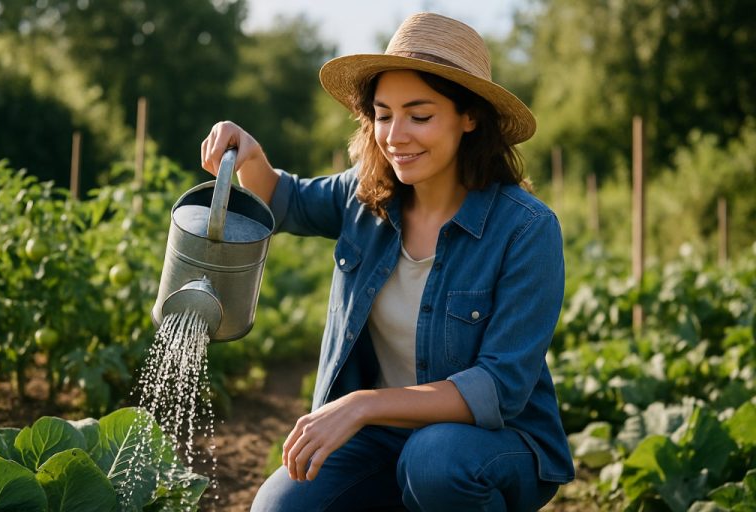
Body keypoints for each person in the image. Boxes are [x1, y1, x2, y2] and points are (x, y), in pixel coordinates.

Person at [201, 12, 574, 512]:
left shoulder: (527, 229)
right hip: (383, 438)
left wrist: (363, 404)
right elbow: (282, 198)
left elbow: (498, 390)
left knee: (435, 463)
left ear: (470, 118)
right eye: (383, 114)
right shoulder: (365, 198)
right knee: (279, 507)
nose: (396, 135)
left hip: (490, 444)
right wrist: (247, 154)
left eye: (419, 116)